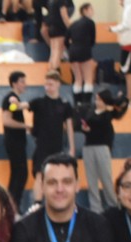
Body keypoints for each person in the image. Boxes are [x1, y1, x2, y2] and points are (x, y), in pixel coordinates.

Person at [27, 71, 76, 203]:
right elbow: (23, 106)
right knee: (39, 174)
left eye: (51, 84)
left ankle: (55, 203)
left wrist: (72, 148)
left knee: (55, 176)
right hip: (42, 146)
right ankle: (37, 203)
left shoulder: (65, 104)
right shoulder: (39, 102)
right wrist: (14, 104)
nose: (48, 87)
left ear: (58, 84)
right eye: (46, 84)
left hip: (57, 147)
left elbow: (69, 127)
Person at [78, 89, 128, 214]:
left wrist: (116, 99)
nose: (97, 101)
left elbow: (123, 104)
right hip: (89, 146)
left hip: (102, 146)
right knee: (91, 180)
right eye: (96, 99)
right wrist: (85, 129)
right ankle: (95, 208)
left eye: (99, 99)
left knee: (106, 177)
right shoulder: (90, 111)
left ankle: (113, 204)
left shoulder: (108, 113)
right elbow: (84, 125)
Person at [1, 71, 31, 209]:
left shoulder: (14, 100)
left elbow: (14, 108)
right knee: (20, 174)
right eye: (22, 81)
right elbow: (7, 120)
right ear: (14, 83)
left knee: (17, 174)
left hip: (17, 141)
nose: (25, 84)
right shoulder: (10, 98)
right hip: (14, 141)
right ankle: (13, 206)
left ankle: (11, 206)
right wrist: (25, 126)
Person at [110, 0, 131, 106]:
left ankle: (129, 100)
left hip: (129, 45)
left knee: (129, 73)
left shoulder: (130, 8)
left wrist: (112, 29)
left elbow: (126, 25)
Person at [67, 4, 98, 104]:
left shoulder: (74, 24)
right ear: (85, 10)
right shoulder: (90, 22)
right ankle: (86, 103)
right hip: (84, 50)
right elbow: (93, 40)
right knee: (88, 78)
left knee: (78, 79)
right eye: (91, 9)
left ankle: (77, 103)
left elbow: (66, 39)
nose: (92, 11)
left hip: (73, 51)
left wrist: (70, 48)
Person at [44, 0, 74, 72]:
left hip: (52, 28)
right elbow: (64, 16)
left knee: (53, 53)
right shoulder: (61, 1)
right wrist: (72, 29)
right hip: (60, 29)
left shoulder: (51, 2)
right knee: (58, 52)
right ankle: (54, 72)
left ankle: (50, 72)